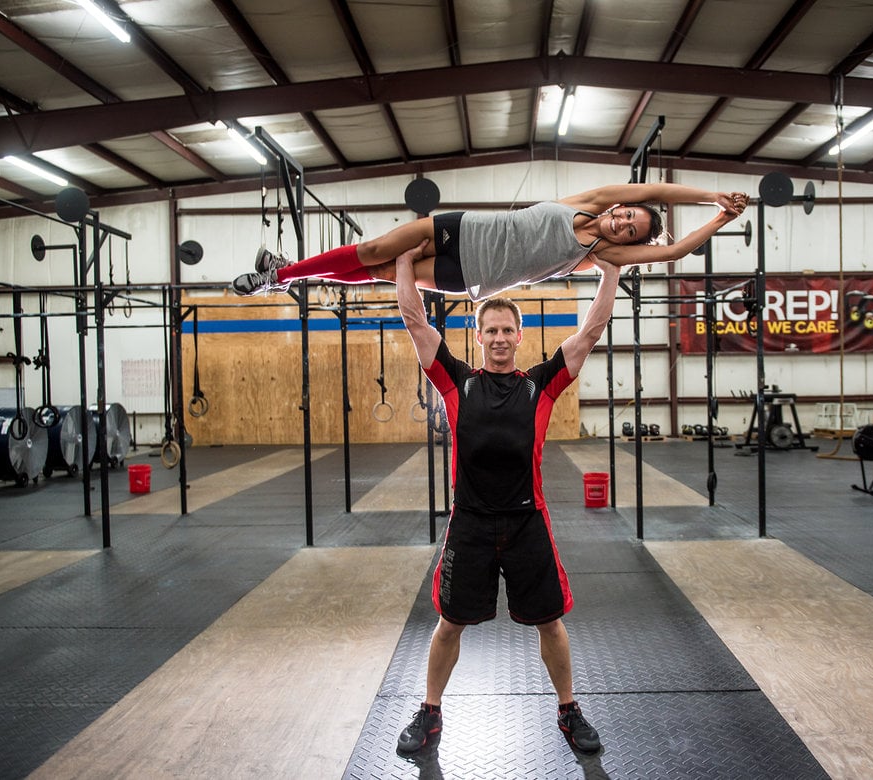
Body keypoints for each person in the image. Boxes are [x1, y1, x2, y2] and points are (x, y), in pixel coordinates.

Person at [393, 240, 620, 757]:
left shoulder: (540, 385)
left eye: (506, 331)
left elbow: (590, 332)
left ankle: (568, 710)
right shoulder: (455, 383)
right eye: (490, 331)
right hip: (470, 523)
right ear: (478, 338)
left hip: (525, 523)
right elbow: (414, 321)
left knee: (550, 622)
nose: (499, 338)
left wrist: (610, 272)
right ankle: (430, 713)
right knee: (450, 623)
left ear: (520, 336)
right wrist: (404, 262)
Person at [232, 182, 747, 300]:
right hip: (466, 227)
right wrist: (710, 194)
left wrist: (720, 220)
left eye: (632, 233)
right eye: (628, 218)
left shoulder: (601, 253)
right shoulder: (591, 202)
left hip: (477, 275)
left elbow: (676, 251)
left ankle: (281, 275)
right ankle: (278, 275)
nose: (624, 227)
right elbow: (656, 188)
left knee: (384, 273)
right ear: (619, 209)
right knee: (372, 251)